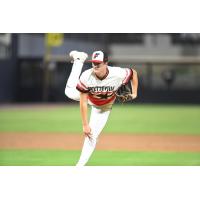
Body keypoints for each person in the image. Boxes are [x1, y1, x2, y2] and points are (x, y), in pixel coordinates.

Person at [65, 50, 138, 166]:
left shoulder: (117, 73)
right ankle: (78, 60)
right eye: (94, 62)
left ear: (106, 63)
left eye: (98, 63)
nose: (95, 65)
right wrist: (85, 125)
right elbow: (83, 102)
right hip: (89, 97)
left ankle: (79, 166)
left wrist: (134, 93)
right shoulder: (87, 76)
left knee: (91, 136)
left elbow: (133, 73)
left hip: (102, 108)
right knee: (68, 92)